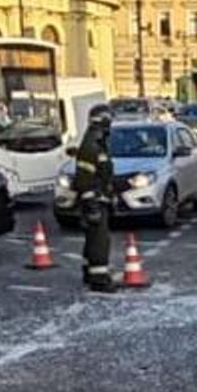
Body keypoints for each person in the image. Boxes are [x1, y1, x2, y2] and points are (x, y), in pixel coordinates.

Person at [72, 103, 118, 292]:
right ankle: (99, 279)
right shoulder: (92, 145)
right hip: (94, 200)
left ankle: (89, 272)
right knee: (99, 240)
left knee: (93, 238)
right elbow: (85, 177)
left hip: (99, 199)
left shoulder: (98, 142)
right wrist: (92, 204)